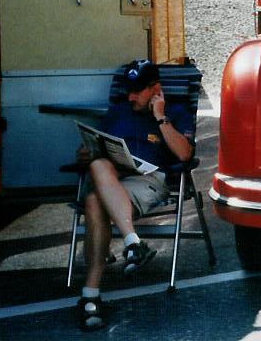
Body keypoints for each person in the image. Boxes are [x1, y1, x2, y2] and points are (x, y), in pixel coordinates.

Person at [75, 59, 194, 331]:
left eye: (137, 90)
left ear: (156, 89)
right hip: (112, 177)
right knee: (97, 165)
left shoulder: (175, 111)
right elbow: (96, 146)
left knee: (95, 202)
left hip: (147, 181)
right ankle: (133, 243)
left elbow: (185, 154)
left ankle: (90, 296)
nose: (130, 96)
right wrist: (84, 155)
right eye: (128, 89)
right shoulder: (118, 111)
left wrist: (160, 117)